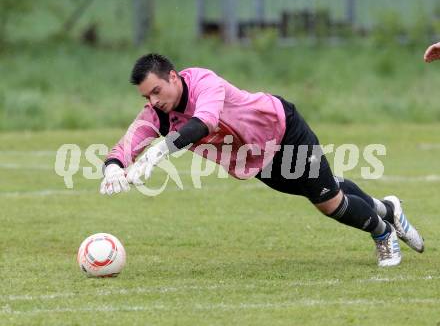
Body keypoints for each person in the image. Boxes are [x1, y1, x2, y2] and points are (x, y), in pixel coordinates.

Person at [100, 53, 424, 267]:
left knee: (327, 201)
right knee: (325, 187)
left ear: (173, 77)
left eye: (157, 91)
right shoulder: (158, 114)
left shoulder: (202, 81)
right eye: (147, 97)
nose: (155, 101)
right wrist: (114, 167)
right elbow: (129, 142)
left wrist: (159, 151)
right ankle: (389, 208)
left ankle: (383, 233)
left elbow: (206, 121)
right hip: (255, 159)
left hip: (283, 129)